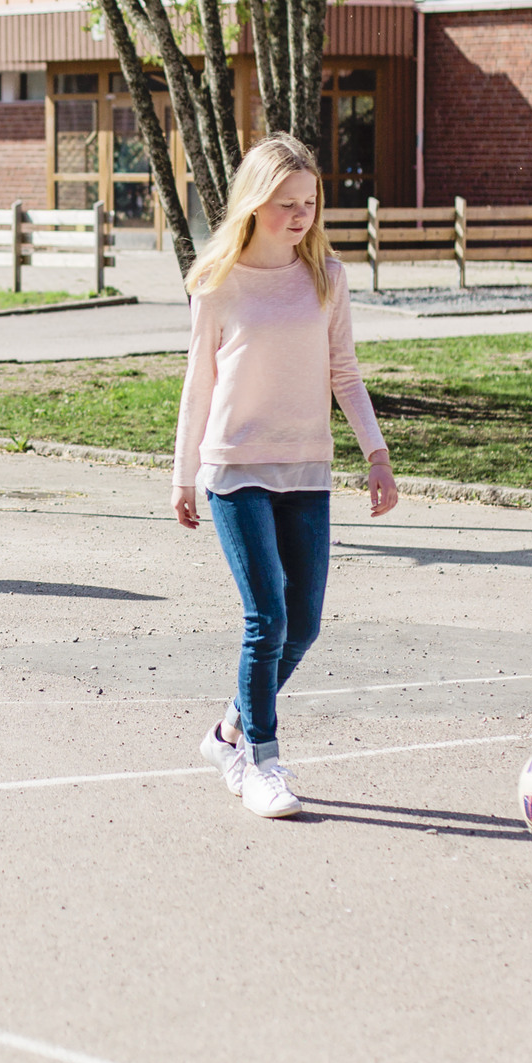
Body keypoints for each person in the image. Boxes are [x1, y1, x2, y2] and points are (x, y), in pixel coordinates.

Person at [172, 134, 400, 819]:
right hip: (234, 469)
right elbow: (198, 384)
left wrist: (377, 454)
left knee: (302, 626)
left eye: (310, 202)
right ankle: (263, 764)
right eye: (285, 203)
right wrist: (184, 476)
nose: (300, 215)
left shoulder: (326, 276)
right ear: (254, 202)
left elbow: (346, 374)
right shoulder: (217, 283)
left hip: (307, 468)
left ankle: (227, 734)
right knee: (265, 616)